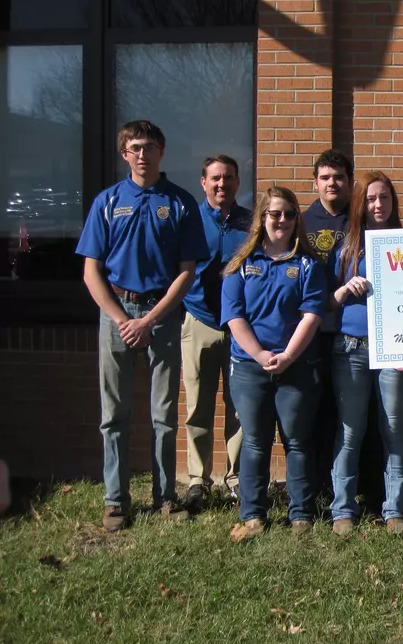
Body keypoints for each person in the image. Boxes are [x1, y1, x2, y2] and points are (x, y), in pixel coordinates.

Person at [76, 120, 208, 533]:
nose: (142, 154)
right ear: (124, 153)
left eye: (150, 146)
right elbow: (90, 272)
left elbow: (187, 273)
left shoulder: (181, 203)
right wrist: (122, 320)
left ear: (161, 152)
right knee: (113, 413)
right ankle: (116, 501)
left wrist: (149, 319)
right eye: (135, 147)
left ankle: (165, 497)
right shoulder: (107, 202)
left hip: (162, 314)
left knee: (164, 413)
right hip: (116, 310)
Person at [221, 186, 326, 542]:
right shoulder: (241, 264)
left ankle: (300, 514)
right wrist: (261, 355)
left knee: (296, 441)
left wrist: (287, 356)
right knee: (255, 441)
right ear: (262, 218)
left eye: (289, 214)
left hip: (295, 366)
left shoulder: (307, 264)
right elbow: (234, 317)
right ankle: (253, 514)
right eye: (275, 214)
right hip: (250, 367)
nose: (282, 220)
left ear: (298, 220)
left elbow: (312, 314)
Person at [329, 171, 403, 535]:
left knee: (393, 429)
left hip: (395, 351)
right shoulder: (347, 248)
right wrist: (346, 288)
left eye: (384, 197)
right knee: (351, 432)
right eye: (371, 199)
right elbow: (325, 303)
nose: (378, 205)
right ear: (359, 204)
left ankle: (395, 509)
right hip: (351, 348)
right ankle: (343, 510)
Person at [180, 155, 253, 512]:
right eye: (215, 178)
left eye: (228, 178)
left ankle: (237, 479)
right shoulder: (188, 219)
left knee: (239, 405)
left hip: (240, 325)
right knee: (198, 404)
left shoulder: (252, 222)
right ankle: (197, 481)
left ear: (238, 183)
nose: (222, 184)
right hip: (200, 321)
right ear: (203, 182)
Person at [302, 150, 354, 495]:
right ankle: (318, 486)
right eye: (325, 177)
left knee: (347, 415)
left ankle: (349, 486)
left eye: (338, 177)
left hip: (350, 331)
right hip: (313, 334)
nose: (332, 183)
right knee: (314, 412)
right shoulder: (301, 223)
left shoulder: (360, 219)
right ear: (315, 182)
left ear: (349, 181)